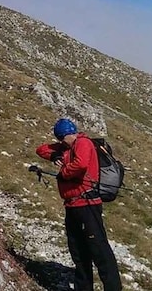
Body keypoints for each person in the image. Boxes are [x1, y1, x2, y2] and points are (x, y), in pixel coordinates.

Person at [36, 118, 122, 291]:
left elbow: (81, 165)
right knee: (78, 251)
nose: (61, 142)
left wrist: (64, 173)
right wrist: (55, 155)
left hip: (87, 205)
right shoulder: (65, 146)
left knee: (99, 251)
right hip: (72, 206)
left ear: (68, 134)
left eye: (62, 138)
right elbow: (41, 149)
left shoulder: (83, 143)